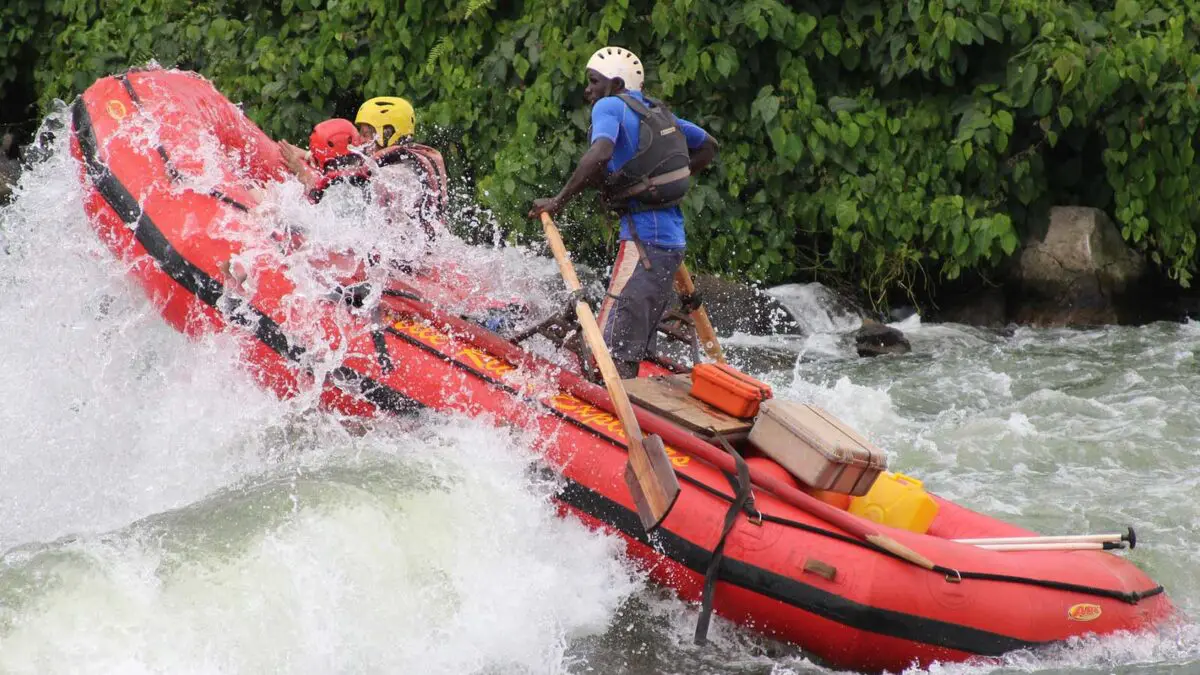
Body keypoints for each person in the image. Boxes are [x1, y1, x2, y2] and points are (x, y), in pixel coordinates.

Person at [529, 46, 718, 378]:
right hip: (671, 244)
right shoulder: (658, 113)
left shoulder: (610, 105)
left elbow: (600, 151)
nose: (587, 90)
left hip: (643, 245)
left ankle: (611, 404)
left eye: (593, 81)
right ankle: (631, 390)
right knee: (630, 341)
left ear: (615, 84)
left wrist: (558, 200)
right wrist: (654, 183)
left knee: (608, 352)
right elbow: (708, 146)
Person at [355, 97, 449, 236]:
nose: (360, 140)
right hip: (434, 243)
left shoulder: (389, 176)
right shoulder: (414, 161)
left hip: (408, 250)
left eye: (365, 134)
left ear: (387, 133)